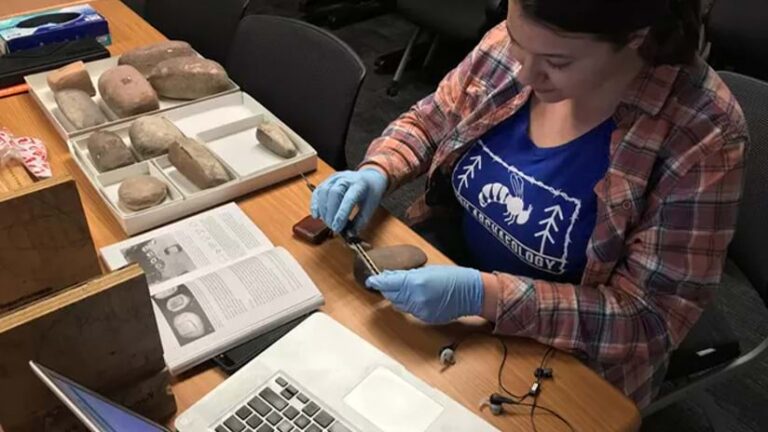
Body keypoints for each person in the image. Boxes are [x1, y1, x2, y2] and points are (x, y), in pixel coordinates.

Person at [310, 0, 748, 407]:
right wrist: (379, 169)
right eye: (518, 43)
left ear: (637, 37)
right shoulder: (525, 40)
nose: (523, 74)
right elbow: (432, 119)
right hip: (448, 291)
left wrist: (487, 296)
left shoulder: (702, 131)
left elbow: (648, 320)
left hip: (562, 361)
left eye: (557, 63)